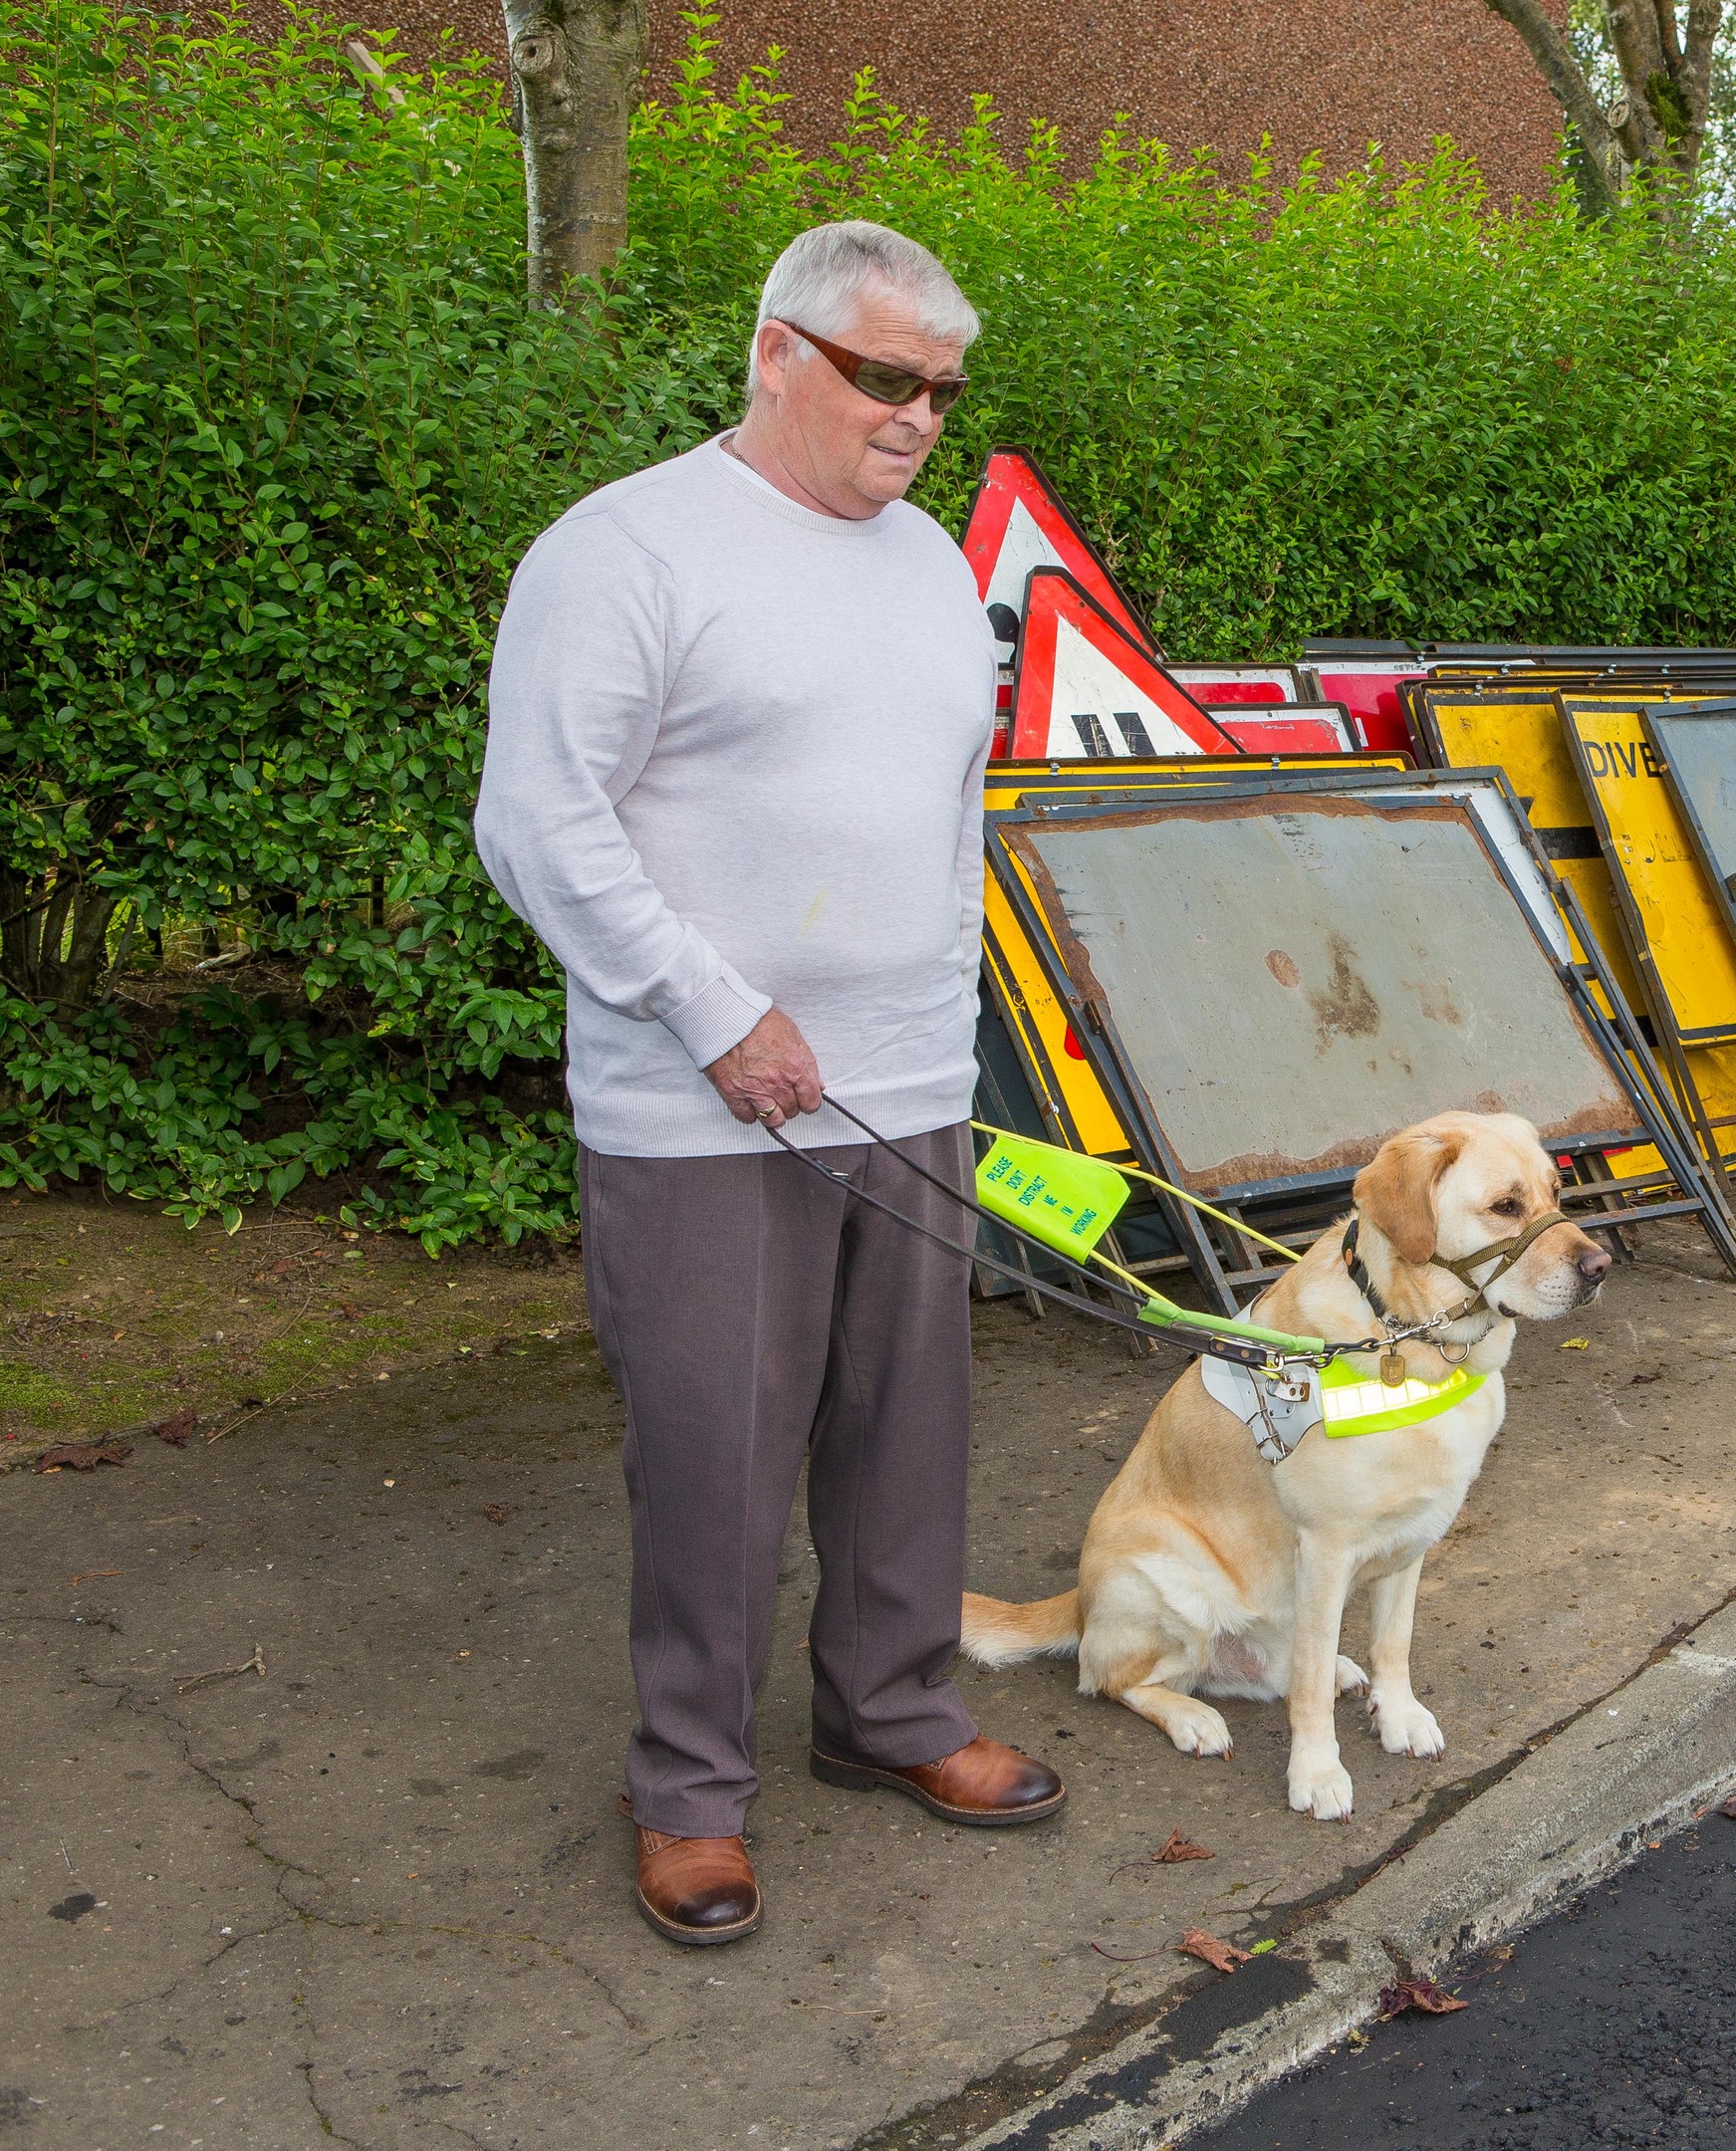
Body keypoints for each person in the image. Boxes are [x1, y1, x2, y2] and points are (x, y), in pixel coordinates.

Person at [475, 220, 1063, 1950]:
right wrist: (717, 1012)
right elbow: (540, 822)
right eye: (885, 378)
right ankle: (689, 1792)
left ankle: (888, 1714)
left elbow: (943, 811)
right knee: (716, 1448)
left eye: (943, 392)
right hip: (705, 1099)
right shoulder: (628, 550)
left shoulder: (925, 567)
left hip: (906, 1087)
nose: (916, 420)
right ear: (775, 352)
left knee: (908, 1428)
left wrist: (947, 1019)